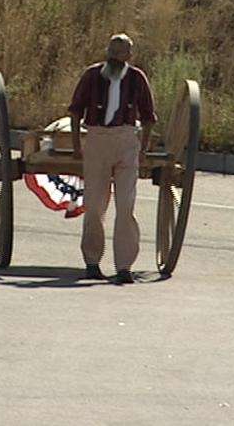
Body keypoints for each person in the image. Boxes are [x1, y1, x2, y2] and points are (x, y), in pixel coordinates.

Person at [68, 34, 157, 284]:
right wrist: (77, 145)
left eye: (121, 53)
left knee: (126, 206)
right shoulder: (92, 75)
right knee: (94, 206)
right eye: (112, 52)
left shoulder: (137, 78)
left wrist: (143, 149)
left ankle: (124, 266)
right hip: (97, 140)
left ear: (129, 56)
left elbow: (149, 117)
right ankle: (92, 262)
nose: (115, 58)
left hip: (127, 140)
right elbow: (75, 111)